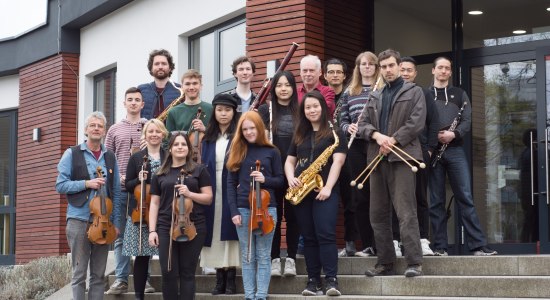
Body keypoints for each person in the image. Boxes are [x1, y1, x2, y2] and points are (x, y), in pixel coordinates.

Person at [358, 49, 425, 277]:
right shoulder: (375, 95)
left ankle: (414, 262)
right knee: (377, 214)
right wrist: (377, 137)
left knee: (406, 212)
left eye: (391, 65)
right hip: (377, 158)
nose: (387, 70)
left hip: (403, 157)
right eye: (383, 66)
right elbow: (363, 124)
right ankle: (385, 262)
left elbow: (416, 122)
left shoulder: (414, 91)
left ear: (399, 66)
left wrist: (393, 140)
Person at [427, 57, 497, 256]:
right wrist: (434, 138)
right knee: (436, 201)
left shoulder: (459, 94)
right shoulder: (424, 94)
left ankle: (477, 245)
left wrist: (453, 134)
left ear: (450, 72)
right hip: (434, 152)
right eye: (440, 68)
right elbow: (419, 121)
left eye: (447, 68)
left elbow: (466, 121)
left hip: (455, 150)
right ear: (433, 70)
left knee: (465, 197)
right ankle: (440, 247)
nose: (443, 71)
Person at [284, 91, 347, 296]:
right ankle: (313, 281)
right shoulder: (300, 133)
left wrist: (328, 187)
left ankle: (331, 280)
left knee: (326, 235)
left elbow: (337, 161)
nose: (312, 110)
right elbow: (289, 161)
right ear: (304, 111)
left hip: (324, 190)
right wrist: (290, 177)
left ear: (323, 107)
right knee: (309, 237)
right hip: (302, 190)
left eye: (315, 106)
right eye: (308, 107)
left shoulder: (335, 133)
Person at [56, 111, 122, 300]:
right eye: (92, 125)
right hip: (79, 220)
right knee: (79, 275)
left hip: (104, 224)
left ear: (104, 131)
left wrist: (116, 223)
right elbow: (60, 185)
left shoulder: (110, 157)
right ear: (86, 130)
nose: (96, 128)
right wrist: (86, 183)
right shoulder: (71, 153)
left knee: (99, 275)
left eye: (100, 126)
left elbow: (116, 191)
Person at [148, 131, 213, 299]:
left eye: (183, 144)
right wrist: (152, 230)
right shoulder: (160, 174)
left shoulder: (199, 170)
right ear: (170, 148)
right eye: (176, 144)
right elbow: (154, 203)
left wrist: (190, 193)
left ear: (189, 148)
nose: (180, 147)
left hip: (193, 225)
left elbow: (208, 198)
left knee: (187, 272)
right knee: (168, 272)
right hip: (165, 226)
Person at [226, 111, 284, 300]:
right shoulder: (237, 150)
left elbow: (281, 181)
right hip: (243, 209)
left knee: (263, 255)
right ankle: (249, 296)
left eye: (252, 128)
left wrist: (264, 179)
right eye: (245, 129)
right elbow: (230, 183)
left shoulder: (272, 151)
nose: (249, 132)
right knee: (248, 255)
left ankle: (261, 296)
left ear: (259, 128)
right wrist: (234, 211)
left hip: (268, 209)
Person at [104, 87, 153, 295]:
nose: (133, 103)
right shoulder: (114, 129)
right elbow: (107, 160)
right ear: (124, 103)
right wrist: (118, 178)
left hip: (146, 191)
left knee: (145, 235)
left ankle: (146, 279)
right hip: (122, 190)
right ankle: (122, 278)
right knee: (121, 234)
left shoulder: (150, 127)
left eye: (137, 100)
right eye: (129, 99)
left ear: (142, 104)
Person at [389, 57, 437, 256]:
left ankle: (423, 239)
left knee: (419, 197)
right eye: (403, 70)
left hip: (419, 153)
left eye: (409, 70)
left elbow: (433, 122)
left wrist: (429, 149)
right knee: (395, 198)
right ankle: (395, 240)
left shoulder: (423, 93)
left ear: (415, 73)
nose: (406, 73)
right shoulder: (389, 93)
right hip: (394, 153)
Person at [258, 70, 300, 277]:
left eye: (288, 85)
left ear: (294, 88)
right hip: (272, 172)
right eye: (279, 85)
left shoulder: (300, 111)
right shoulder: (266, 111)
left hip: (294, 171)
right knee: (273, 216)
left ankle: (291, 257)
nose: (284, 89)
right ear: (274, 89)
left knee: (293, 216)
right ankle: (274, 258)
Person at [340, 51, 381, 258]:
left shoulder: (382, 90)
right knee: (360, 195)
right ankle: (367, 244)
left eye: (370, 64)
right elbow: (342, 119)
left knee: (379, 193)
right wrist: (348, 127)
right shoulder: (350, 92)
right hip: (355, 146)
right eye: (363, 64)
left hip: (375, 144)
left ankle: (381, 242)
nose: (366, 67)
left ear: (376, 67)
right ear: (358, 67)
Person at [200, 93, 241, 295]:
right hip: (211, 185)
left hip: (232, 184)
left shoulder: (239, 136)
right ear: (214, 112)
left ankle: (231, 277)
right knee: (214, 229)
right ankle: (219, 278)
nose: (223, 114)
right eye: (219, 110)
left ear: (234, 112)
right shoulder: (207, 138)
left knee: (230, 228)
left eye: (227, 110)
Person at [123, 119, 168, 299]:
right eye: (150, 132)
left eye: (157, 131)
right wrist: (139, 179)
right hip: (141, 212)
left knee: (167, 257)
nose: (154, 134)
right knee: (141, 257)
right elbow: (128, 185)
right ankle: (139, 296)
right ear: (145, 135)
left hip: (164, 210)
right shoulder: (136, 157)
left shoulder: (169, 156)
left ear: (163, 134)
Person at [166, 69, 213, 135]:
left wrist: (205, 129)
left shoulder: (211, 109)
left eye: (195, 83)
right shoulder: (173, 112)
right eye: (187, 84)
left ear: (201, 86)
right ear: (182, 87)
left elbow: (218, 135)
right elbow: (168, 140)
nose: (191, 87)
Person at [139, 49, 182, 120]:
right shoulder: (141, 90)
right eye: (156, 64)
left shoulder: (180, 90)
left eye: (164, 63)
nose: (160, 67)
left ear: (170, 67)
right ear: (151, 68)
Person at [298, 54, 336, 119]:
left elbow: (322, 112)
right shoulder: (295, 92)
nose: (308, 74)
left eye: (311, 70)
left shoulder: (328, 92)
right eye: (305, 71)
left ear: (320, 72)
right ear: (300, 73)